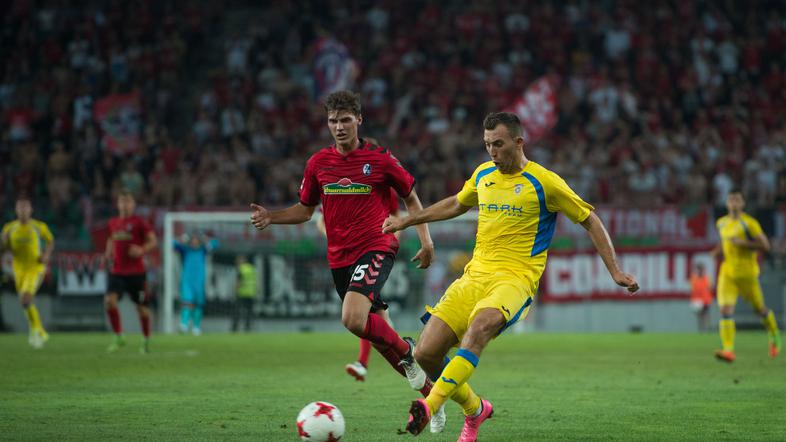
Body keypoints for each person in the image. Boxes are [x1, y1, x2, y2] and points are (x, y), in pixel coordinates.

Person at [382, 112, 639, 440]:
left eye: (498, 144)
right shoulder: (484, 174)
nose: (492, 151)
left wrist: (614, 270)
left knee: (479, 328)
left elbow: (590, 219)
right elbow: (456, 204)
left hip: (515, 280)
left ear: (519, 142)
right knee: (425, 353)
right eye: (487, 144)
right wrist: (408, 220)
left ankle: (429, 405)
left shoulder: (545, 182)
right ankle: (476, 410)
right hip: (474, 277)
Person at [250, 90, 447, 433]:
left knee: (353, 319)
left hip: (377, 246)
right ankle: (432, 400)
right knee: (379, 337)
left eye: (345, 120)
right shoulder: (318, 164)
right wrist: (272, 216)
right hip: (339, 259)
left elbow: (412, 198)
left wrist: (426, 241)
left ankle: (410, 352)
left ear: (359, 120)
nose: (338, 127)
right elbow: (305, 210)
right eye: (332, 121)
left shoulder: (381, 159)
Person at [318, 186, 400, 382]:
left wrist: (389, 243)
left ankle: (363, 362)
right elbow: (321, 220)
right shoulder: (336, 185)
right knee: (374, 318)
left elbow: (397, 215)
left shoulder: (382, 183)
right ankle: (417, 365)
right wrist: (334, 235)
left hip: (374, 251)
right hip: (345, 257)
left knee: (363, 311)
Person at [712, 189, 780, 362]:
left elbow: (766, 246)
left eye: (737, 200)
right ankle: (728, 350)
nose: (734, 203)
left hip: (747, 273)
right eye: (731, 199)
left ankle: (774, 336)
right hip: (727, 273)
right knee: (725, 310)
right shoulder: (721, 223)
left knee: (760, 310)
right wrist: (717, 251)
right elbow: (725, 244)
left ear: (742, 204)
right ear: (727, 203)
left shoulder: (749, 224)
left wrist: (744, 243)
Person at [105, 190, 158, 354]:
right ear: (118, 204)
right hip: (118, 272)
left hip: (137, 274)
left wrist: (142, 249)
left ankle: (146, 339)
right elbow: (111, 238)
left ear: (133, 204)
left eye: (128, 201)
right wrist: (108, 253)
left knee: (142, 308)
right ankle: (119, 336)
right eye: (122, 201)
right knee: (109, 301)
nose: (125, 205)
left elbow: (153, 241)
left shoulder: (139, 222)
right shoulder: (113, 222)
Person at [1, 197, 54, 348]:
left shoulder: (38, 226)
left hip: (35, 268)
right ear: (16, 210)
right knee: (25, 302)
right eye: (20, 208)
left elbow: (50, 241)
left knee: (25, 298)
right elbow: (3, 251)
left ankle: (37, 330)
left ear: (31, 210)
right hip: (18, 270)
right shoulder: (9, 228)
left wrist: (46, 255)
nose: (23, 210)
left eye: (25, 207)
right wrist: (3, 242)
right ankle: (40, 331)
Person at [174, 232, 218, 335]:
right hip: (187, 280)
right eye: (192, 240)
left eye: (196, 240)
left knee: (198, 304)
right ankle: (184, 324)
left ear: (199, 242)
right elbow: (173, 244)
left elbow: (216, 244)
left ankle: (196, 327)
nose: (194, 242)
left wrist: (206, 239)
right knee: (187, 302)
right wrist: (181, 239)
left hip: (199, 281)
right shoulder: (186, 250)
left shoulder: (203, 251)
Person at [232, 254, 257, 332]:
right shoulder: (251, 268)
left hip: (242, 293)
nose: (237, 262)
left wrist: (235, 290)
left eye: (238, 260)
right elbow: (255, 280)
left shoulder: (241, 269)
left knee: (237, 311)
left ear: (242, 260)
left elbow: (239, 281)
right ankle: (247, 327)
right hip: (251, 293)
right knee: (249, 312)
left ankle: (235, 328)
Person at [689, 263, 713, 332]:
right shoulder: (694, 278)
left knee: (706, 315)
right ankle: (701, 329)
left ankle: (707, 328)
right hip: (697, 300)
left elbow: (710, 288)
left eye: (701, 269)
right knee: (700, 315)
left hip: (706, 300)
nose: (700, 271)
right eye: (699, 269)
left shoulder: (707, 278)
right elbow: (691, 289)